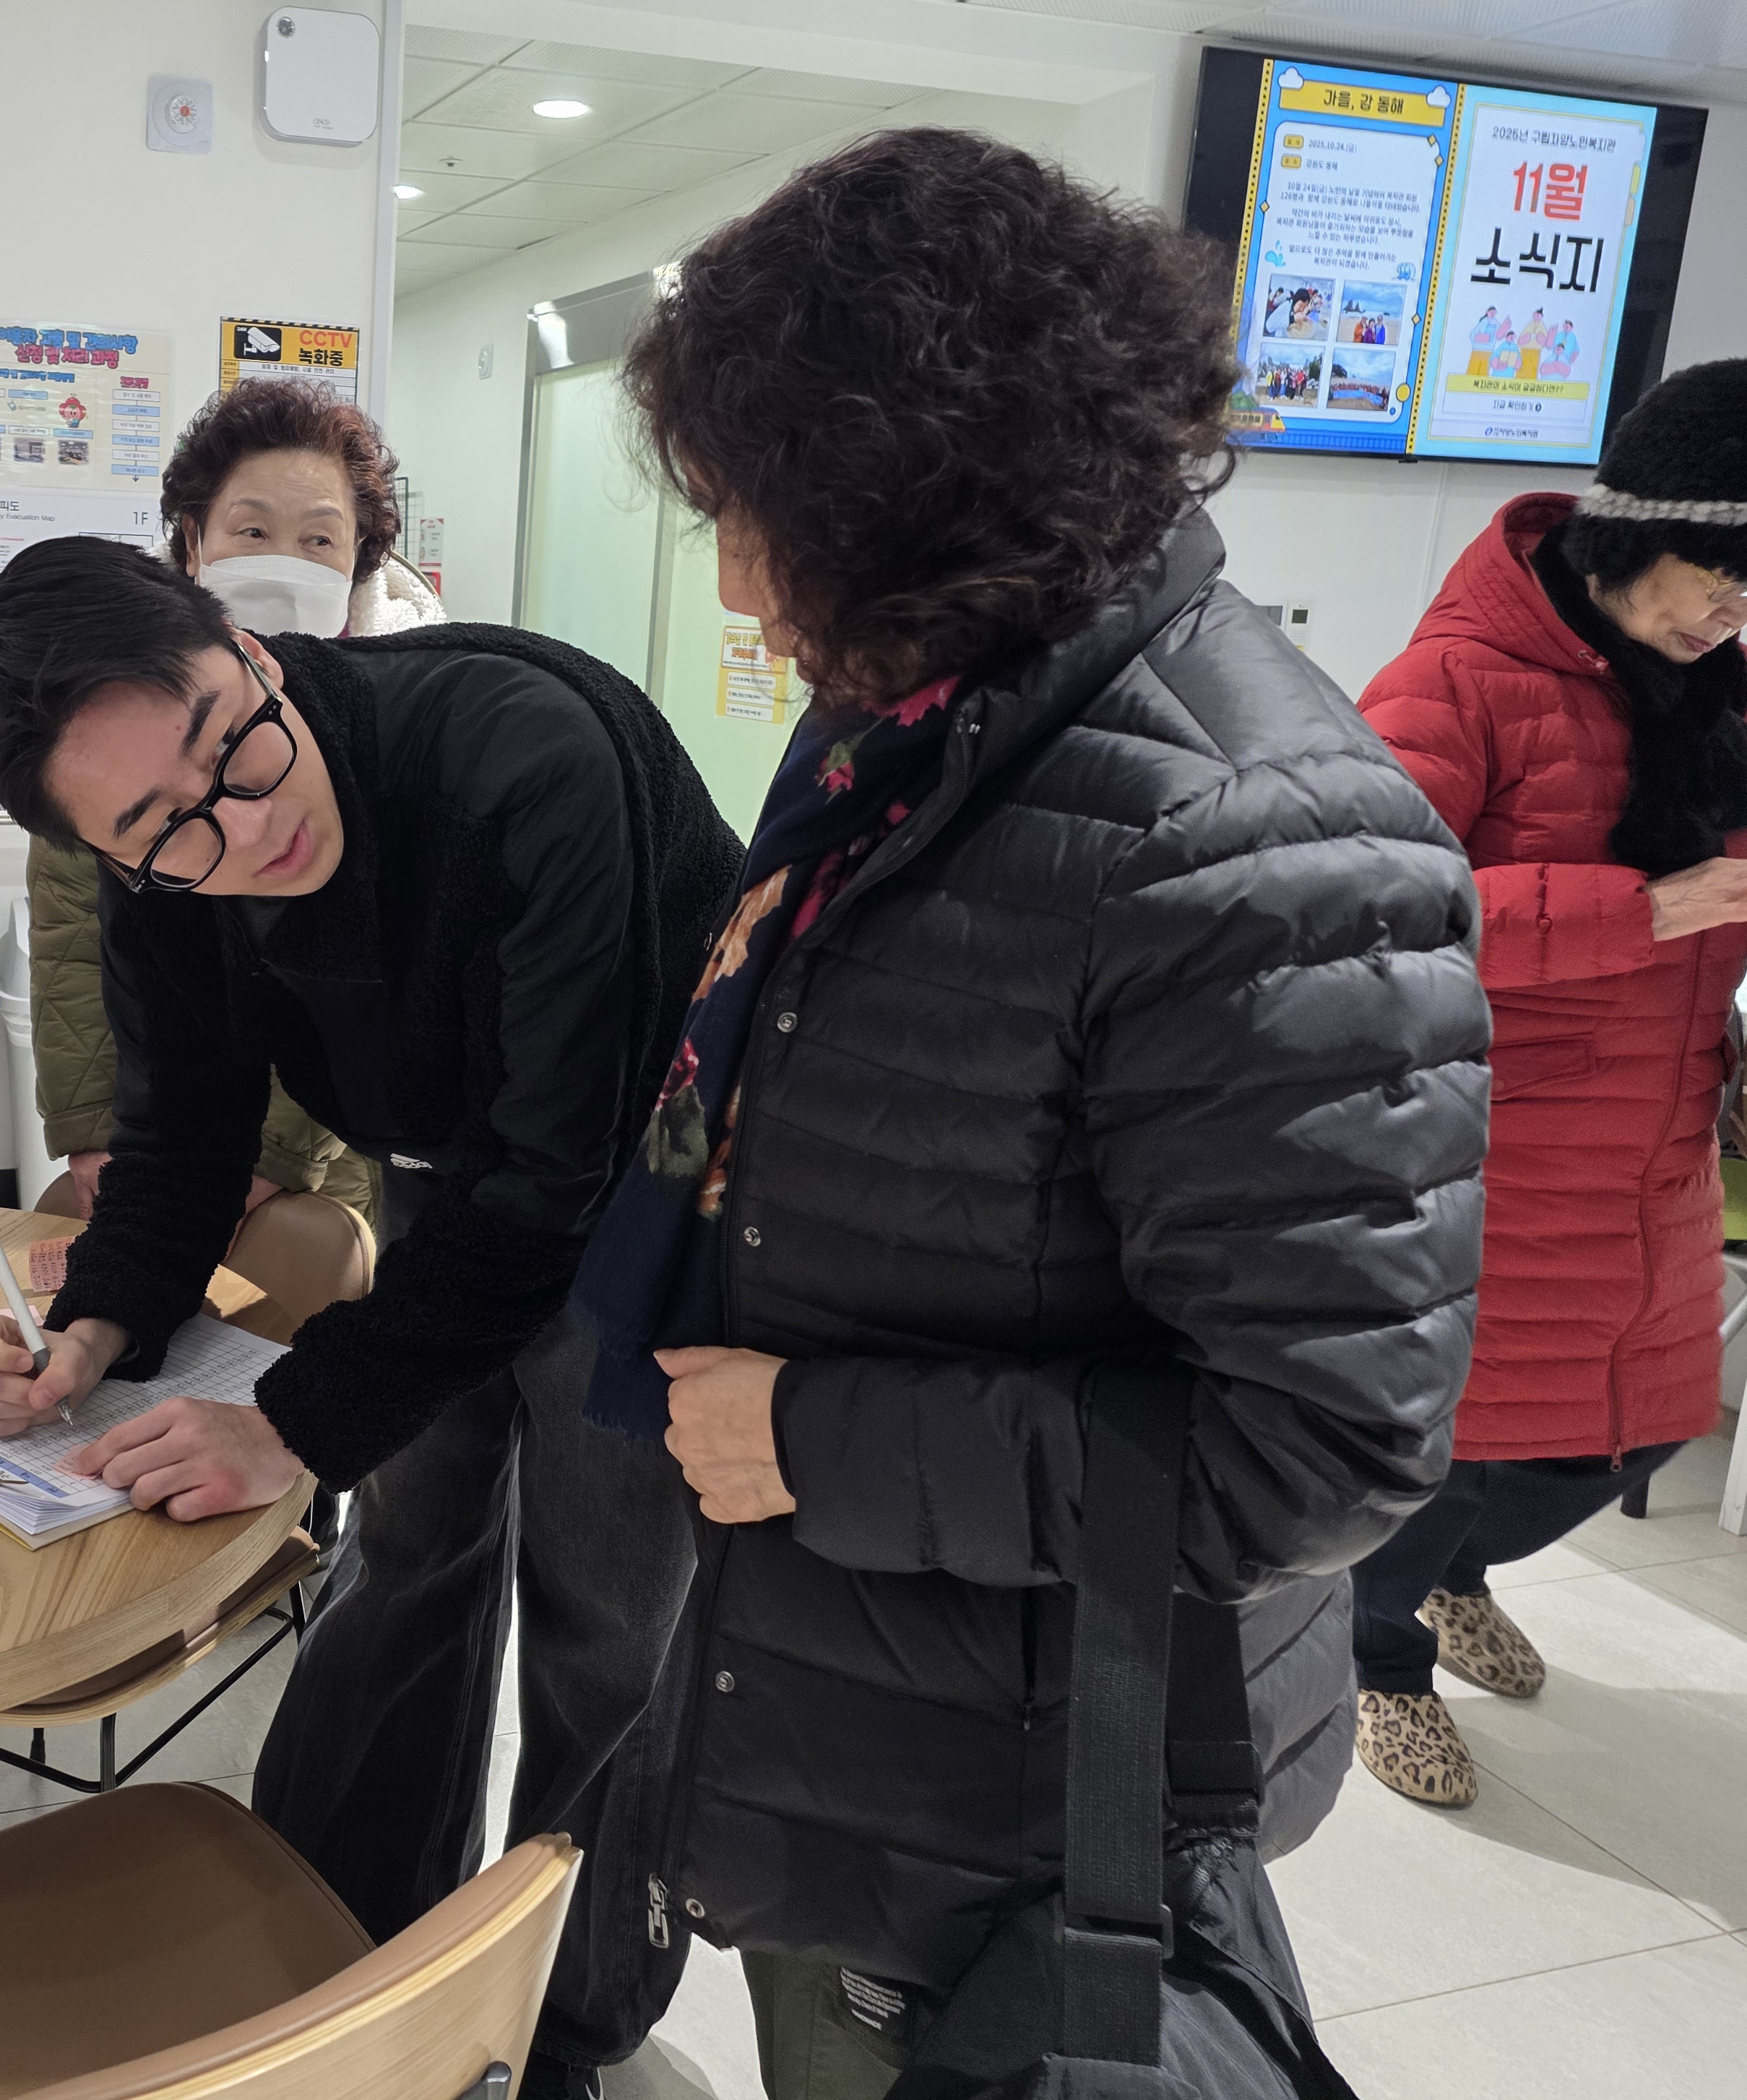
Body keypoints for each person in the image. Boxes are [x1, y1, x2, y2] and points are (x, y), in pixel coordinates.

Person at [579, 129, 1488, 2099]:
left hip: (1024, 1791)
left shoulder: (1253, 837)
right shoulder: (924, 718)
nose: (735, 583)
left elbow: (1322, 1446)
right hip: (858, 1688)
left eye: (759, 519)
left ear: (916, 486)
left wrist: (809, 1437)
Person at [0, 535, 739, 2093]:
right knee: (410, 1545)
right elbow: (183, 1138)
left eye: (228, 745)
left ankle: (561, 2018)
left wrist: (292, 1424)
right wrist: (95, 1327)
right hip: (454, 1170)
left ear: (251, 649)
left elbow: (552, 1182)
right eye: (164, 831)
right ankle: (341, 1940)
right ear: (106, 855)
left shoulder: (520, 755)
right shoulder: (165, 877)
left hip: (657, 1175)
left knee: (608, 1615)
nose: (244, 823)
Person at [1348, 361, 1747, 1807]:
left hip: (1657, 1133)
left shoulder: (1717, 689)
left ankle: (1452, 1580)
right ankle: (1377, 1657)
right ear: (1641, 532)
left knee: (1628, 1428)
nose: (1731, 613)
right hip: (1486, 1137)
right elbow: (1364, 910)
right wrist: (1640, 910)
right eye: (1722, 574)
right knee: (1454, 1443)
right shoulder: (1455, 676)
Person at [26, 377, 442, 1228]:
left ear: (360, 558)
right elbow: (72, 939)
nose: (285, 562)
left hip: (343, 1149)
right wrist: (98, 1132)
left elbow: (386, 971)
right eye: (252, 531)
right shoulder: (115, 706)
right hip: (165, 1135)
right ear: (193, 538)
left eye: (318, 539)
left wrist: (273, 1159)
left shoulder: (413, 719)